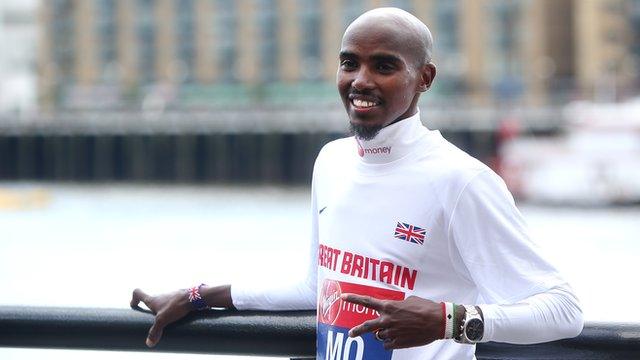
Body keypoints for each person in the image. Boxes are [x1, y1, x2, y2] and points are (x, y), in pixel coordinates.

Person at [131, 7, 583, 359]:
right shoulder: (331, 161)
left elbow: (564, 310)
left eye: (384, 66)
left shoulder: (461, 180)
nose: (360, 81)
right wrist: (197, 296)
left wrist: (451, 321)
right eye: (350, 63)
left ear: (424, 78)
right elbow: (317, 287)